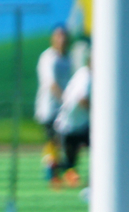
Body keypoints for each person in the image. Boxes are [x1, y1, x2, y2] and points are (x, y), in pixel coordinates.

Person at [34, 25, 73, 181]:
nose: (61, 39)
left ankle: (58, 170)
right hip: (48, 107)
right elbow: (51, 83)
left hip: (64, 108)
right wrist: (65, 100)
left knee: (62, 140)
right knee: (53, 139)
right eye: (58, 36)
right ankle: (51, 173)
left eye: (63, 36)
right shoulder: (48, 58)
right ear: (52, 39)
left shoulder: (68, 58)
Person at [53, 61, 91, 188]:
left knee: (99, 151)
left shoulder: (84, 73)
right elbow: (82, 99)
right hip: (69, 125)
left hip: (79, 123)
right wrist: (97, 112)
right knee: (70, 163)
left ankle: (94, 181)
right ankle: (52, 167)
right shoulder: (87, 76)